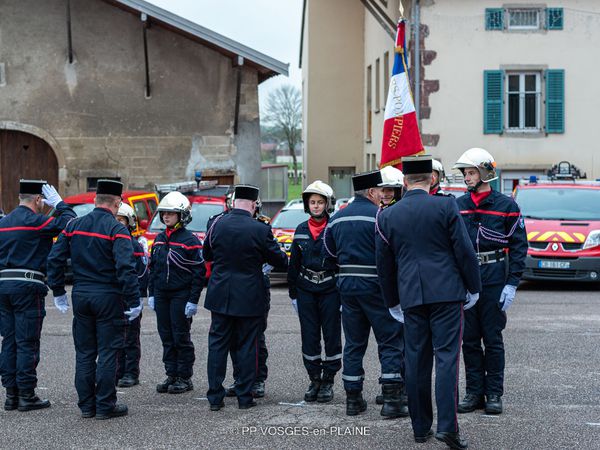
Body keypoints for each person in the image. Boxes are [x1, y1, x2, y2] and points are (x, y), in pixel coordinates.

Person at [376, 155, 482, 449]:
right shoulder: (446, 205)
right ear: (431, 178)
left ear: (405, 182)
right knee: (447, 359)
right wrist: (474, 287)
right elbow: (463, 250)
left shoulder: (387, 215)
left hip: (411, 294)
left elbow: (384, 265)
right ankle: (447, 426)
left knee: (416, 360)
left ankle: (420, 427)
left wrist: (391, 301)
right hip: (447, 292)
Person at [47, 179, 141, 420]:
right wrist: (133, 300)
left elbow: (55, 259)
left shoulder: (74, 225)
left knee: (85, 353)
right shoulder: (117, 229)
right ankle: (105, 404)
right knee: (109, 352)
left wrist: (58, 291)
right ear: (117, 202)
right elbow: (125, 268)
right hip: (108, 296)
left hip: (81, 294)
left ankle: (87, 405)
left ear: (95, 200)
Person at [324, 171, 407, 418]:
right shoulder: (382, 216)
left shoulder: (337, 219)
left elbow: (328, 253)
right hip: (379, 289)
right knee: (390, 341)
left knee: (354, 344)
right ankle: (392, 400)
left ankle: (353, 398)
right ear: (371, 192)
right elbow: (394, 253)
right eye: (380, 191)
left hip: (348, 289)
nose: (384, 194)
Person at [453, 148, 527, 415]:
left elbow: (519, 247)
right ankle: (474, 392)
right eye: (465, 173)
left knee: (492, 338)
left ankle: (494, 392)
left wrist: (512, 283)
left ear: (485, 173)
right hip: (467, 281)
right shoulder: (457, 206)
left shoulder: (507, 206)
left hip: (494, 278)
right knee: (469, 340)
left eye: (471, 172)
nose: (467, 178)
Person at [203, 185, 287, 411]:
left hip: (220, 293)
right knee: (248, 346)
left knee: (217, 346)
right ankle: (244, 396)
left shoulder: (216, 224)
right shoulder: (260, 229)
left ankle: (214, 398)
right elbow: (279, 260)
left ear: (234, 202)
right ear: (253, 204)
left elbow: (206, 254)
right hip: (249, 294)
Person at [0, 179, 75, 411]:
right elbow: (70, 223)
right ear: (39, 200)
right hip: (27, 287)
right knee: (27, 342)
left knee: (9, 341)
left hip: (3, 287)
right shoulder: (36, 222)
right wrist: (61, 204)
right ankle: (26, 394)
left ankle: (11, 394)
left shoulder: (4, 223)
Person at [287, 180, 341, 403]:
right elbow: (294, 265)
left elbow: (341, 261)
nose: (316, 206)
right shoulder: (300, 230)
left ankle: (328, 381)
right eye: (312, 202)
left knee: (331, 335)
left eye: (320, 202)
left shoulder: (335, 227)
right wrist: (293, 294)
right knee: (309, 336)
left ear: (328, 204)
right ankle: (314, 379)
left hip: (330, 289)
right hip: (305, 290)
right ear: (307, 205)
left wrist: (342, 295)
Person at [147, 191, 205, 395]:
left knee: (181, 336)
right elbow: (153, 269)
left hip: (181, 294)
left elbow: (199, 272)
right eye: (164, 213)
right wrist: (151, 293)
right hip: (162, 294)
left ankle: (184, 377)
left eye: (171, 213)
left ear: (182, 215)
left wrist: (193, 300)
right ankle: (171, 374)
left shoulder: (191, 241)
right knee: (166, 336)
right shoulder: (160, 239)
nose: (166, 217)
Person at [222, 196, 272, 398]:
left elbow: (273, 252)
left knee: (255, 337)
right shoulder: (222, 222)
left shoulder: (261, 225)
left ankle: (257, 379)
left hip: (256, 286)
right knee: (234, 338)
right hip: (234, 288)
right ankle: (241, 378)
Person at [115, 203, 149, 388]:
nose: (117, 223)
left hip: (129, 298)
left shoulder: (134, 245)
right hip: (112, 297)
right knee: (114, 337)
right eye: (115, 219)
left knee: (131, 337)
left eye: (121, 220)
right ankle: (117, 370)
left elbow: (142, 274)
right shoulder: (108, 242)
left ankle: (131, 372)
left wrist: (138, 297)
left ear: (129, 223)